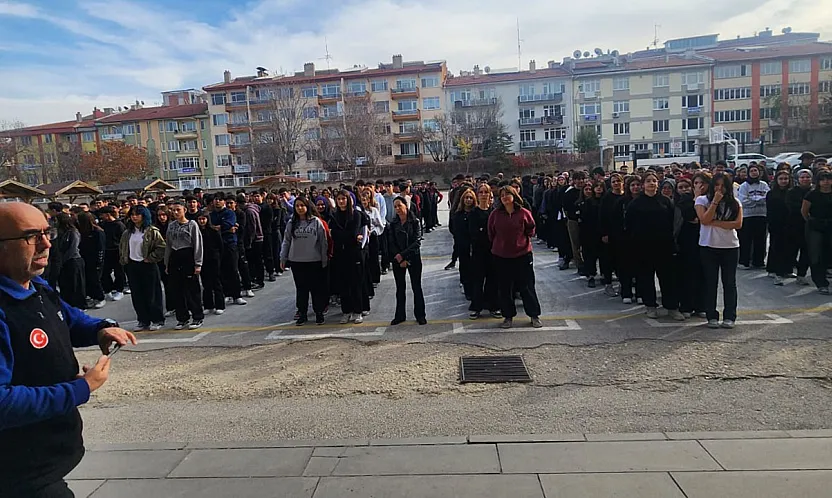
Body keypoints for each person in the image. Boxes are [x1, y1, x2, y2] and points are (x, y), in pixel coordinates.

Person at [0, 202, 137, 497]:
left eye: (46, 232)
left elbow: (68, 318)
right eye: (31, 236)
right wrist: (80, 389)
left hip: (45, 457)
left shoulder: (36, 286)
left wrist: (100, 328)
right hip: (18, 470)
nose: (46, 243)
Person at [626, 172, 682, 320]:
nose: (652, 183)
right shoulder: (635, 204)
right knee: (646, 278)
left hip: (664, 247)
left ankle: (672, 307)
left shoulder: (666, 201)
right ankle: (650, 306)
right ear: (643, 185)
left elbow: (673, 223)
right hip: (643, 247)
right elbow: (629, 226)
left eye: (654, 181)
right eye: (648, 181)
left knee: (668, 278)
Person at [488, 186, 543, 329]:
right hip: (501, 256)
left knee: (527, 286)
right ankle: (508, 316)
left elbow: (531, 229)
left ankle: (534, 315)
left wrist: (521, 242)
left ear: (514, 195)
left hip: (522, 255)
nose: (505, 197)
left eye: (508, 194)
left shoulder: (524, 213)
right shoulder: (495, 214)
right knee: (505, 288)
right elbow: (491, 233)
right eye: (502, 195)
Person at [695, 172, 743, 329]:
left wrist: (715, 222)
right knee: (711, 282)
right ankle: (711, 315)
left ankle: (730, 316)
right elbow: (704, 219)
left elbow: (737, 224)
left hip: (730, 247)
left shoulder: (735, 202)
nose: (719, 188)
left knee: (729, 283)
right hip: (709, 246)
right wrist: (715, 202)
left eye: (723, 186)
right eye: (716, 185)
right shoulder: (702, 200)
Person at [280, 197, 330, 325]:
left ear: (307, 207)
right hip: (297, 261)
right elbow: (286, 241)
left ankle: (318, 313)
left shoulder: (316, 222)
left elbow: (323, 241)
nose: (300, 208)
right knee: (301, 289)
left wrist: (324, 259)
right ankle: (302, 313)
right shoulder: (292, 223)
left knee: (316, 289)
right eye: (297, 206)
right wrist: (283, 257)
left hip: (314, 260)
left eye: (302, 205)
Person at [119, 206, 166, 331]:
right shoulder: (127, 232)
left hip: (148, 265)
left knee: (152, 294)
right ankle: (143, 320)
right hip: (133, 265)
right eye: (132, 214)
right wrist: (124, 260)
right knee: (137, 295)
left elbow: (161, 247)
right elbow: (122, 247)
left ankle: (157, 319)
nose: (134, 217)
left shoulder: (151, 231)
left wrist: (150, 258)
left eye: (137, 214)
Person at [388, 196, 427, 325]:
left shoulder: (415, 222)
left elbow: (417, 241)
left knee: (416, 287)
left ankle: (420, 315)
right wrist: (399, 258)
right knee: (400, 288)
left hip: (413, 258)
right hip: (398, 259)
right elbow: (391, 242)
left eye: (400, 205)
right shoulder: (393, 224)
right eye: (395, 207)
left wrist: (404, 256)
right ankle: (400, 315)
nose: (397, 209)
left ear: (406, 205)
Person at [165, 202, 204, 330]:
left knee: (192, 290)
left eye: (178, 210)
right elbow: (168, 246)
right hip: (175, 258)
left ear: (184, 210)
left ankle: (197, 317)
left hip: (188, 256)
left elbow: (198, 244)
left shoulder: (192, 224)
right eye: (173, 210)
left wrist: (198, 263)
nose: (175, 212)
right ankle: (182, 318)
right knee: (177, 290)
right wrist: (167, 263)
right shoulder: (171, 226)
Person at [329, 190, 365, 324]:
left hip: (354, 253)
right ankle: (346, 311)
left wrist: (344, 235)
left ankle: (358, 311)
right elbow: (333, 234)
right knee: (343, 284)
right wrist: (346, 236)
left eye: (343, 199)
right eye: (338, 199)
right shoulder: (334, 216)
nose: (341, 201)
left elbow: (353, 233)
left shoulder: (356, 215)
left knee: (355, 283)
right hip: (340, 254)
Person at [468, 183, 500, 319]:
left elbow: (497, 231)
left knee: (493, 280)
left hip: (493, 251)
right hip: (478, 251)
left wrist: (485, 232)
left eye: (485, 192)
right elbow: (473, 233)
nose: (483, 195)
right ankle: (476, 307)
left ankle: (493, 306)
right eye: (480, 192)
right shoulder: (473, 213)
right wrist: (484, 233)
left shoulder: (495, 211)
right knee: (478, 280)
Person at [210, 195, 246, 306]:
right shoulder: (211, 214)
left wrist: (218, 228)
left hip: (230, 244)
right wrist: (219, 228)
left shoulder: (230, 213)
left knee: (233, 270)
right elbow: (210, 227)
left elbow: (227, 225)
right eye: (216, 199)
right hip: (217, 245)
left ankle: (237, 295)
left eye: (219, 199)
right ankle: (227, 294)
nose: (217, 201)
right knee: (222, 270)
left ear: (223, 202)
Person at [801, 169, 832, 294]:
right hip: (815, 226)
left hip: (830, 225)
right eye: (822, 180)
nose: (826, 182)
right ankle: (820, 282)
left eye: (828, 179)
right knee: (816, 255)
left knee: (828, 254)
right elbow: (804, 211)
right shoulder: (812, 195)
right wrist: (811, 222)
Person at [737, 164, 769, 269]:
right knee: (746, 239)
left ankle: (758, 261)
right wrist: (758, 201)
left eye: (756, 170)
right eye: (752, 171)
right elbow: (743, 201)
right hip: (747, 216)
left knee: (760, 239)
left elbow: (767, 198)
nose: (754, 173)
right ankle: (744, 261)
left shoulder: (764, 184)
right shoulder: (744, 186)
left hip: (761, 215)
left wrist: (755, 200)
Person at [786, 169, 814, 285]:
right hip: (795, 224)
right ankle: (788, 269)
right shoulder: (792, 192)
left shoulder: (815, 191)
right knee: (792, 249)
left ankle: (801, 274)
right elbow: (791, 206)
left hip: (811, 225)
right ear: (798, 179)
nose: (805, 179)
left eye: (807, 177)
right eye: (802, 177)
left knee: (807, 251)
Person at [53, 213, 87, 310]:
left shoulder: (73, 232)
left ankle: (79, 305)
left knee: (76, 284)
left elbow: (73, 248)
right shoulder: (60, 232)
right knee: (65, 285)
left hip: (73, 260)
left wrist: (62, 260)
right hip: (63, 262)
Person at [598, 173, 624, 296]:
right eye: (613, 181)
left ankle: (622, 283)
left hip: (623, 233)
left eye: (618, 181)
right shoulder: (607, 198)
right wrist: (604, 233)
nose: (616, 184)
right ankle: (608, 284)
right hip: (610, 233)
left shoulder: (626, 196)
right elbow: (602, 217)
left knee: (621, 260)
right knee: (609, 259)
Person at [766, 170, 793, 286]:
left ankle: (787, 269)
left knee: (789, 247)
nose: (783, 181)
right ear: (776, 180)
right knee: (776, 247)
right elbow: (770, 210)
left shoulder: (792, 192)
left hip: (790, 224)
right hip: (776, 224)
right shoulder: (772, 193)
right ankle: (775, 271)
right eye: (781, 179)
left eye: (786, 179)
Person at [197, 210, 225, 316]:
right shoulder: (197, 232)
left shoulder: (214, 231)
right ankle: (209, 305)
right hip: (202, 260)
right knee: (206, 284)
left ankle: (220, 305)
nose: (202, 221)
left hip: (214, 259)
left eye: (203, 219)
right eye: (200, 219)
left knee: (216, 283)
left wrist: (218, 258)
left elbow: (220, 246)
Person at [77, 212, 106, 309]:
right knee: (88, 280)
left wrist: (99, 261)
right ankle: (93, 297)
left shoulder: (98, 232)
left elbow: (101, 248)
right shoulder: (82, 232)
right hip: (85, 259)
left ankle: (100, 298)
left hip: (95, 260)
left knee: (95, 280)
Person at [450, 188, 476, 299]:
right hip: (463, 246)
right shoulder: (458, 215)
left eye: (471, 198)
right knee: (465, 268)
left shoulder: (477, 213)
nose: (468, 200)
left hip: (476, 247)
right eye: (466, 197)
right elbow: (455, 231)